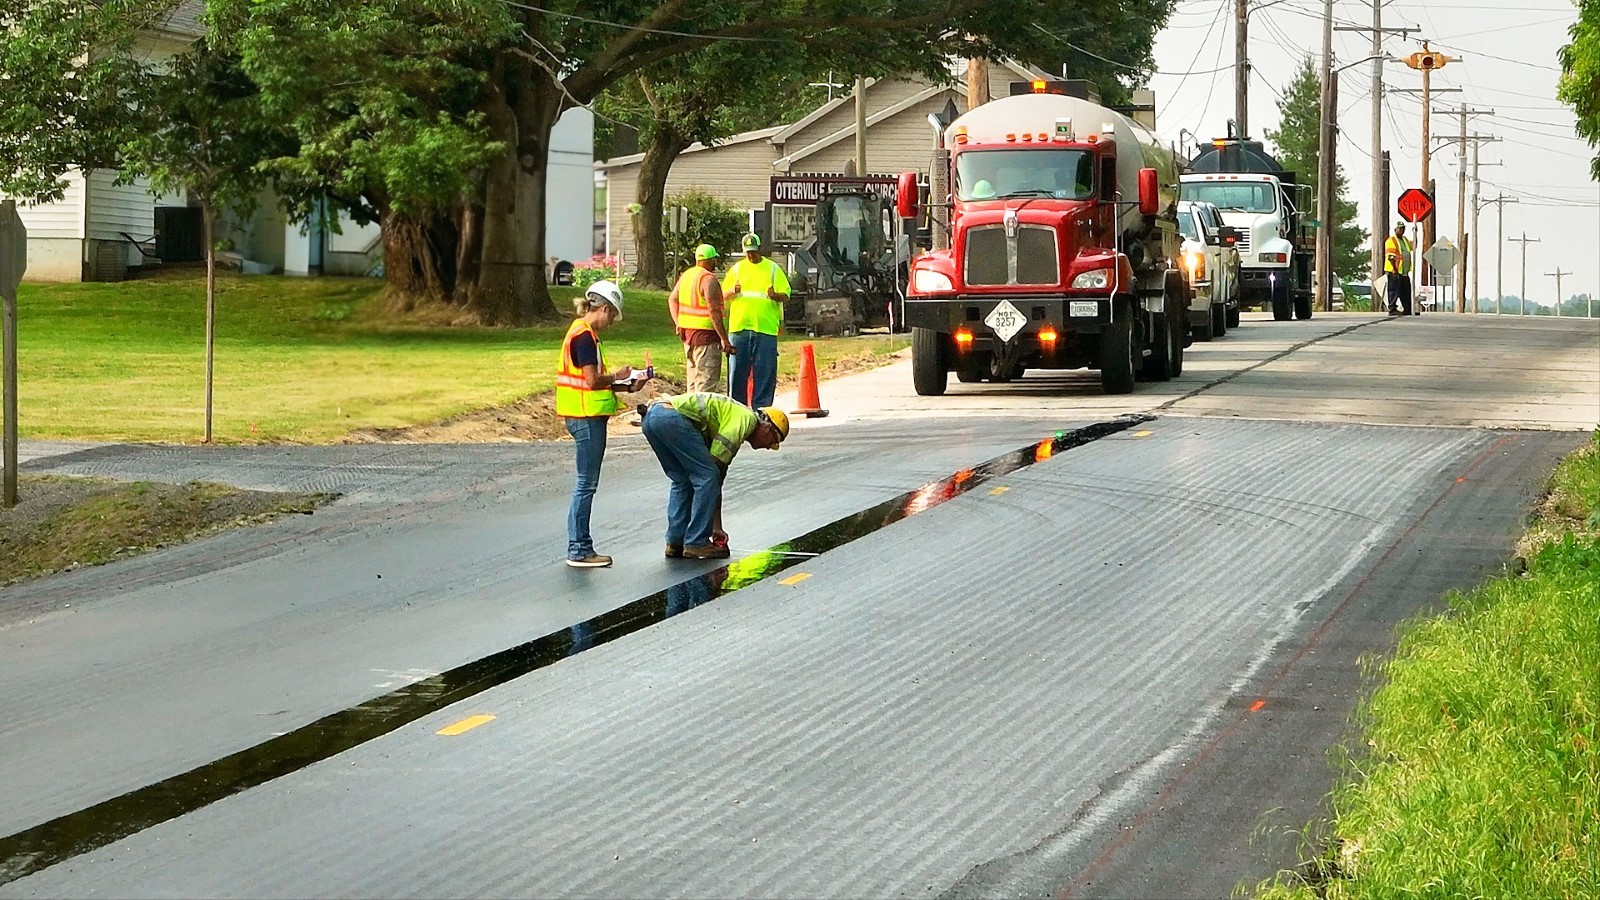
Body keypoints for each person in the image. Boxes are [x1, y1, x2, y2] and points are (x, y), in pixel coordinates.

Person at [556, 279, 645, 568]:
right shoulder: (584, 337)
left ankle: (579, 546)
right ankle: (579, 548)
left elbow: (593, 383)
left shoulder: (583, 334)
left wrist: (627, 387)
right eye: (612, 316)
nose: (612, 322)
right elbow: (591, 381)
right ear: (604, 309)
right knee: (585, 484)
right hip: (585, 417)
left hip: (584, 414)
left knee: (585, 483)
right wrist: (619, 375)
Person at [640, 392, 789, 560]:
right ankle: (696, 542)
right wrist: (714, 526)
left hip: (652, 417)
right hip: (670, 419)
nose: (769, 447)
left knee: (682, 480)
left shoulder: (732, 416)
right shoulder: (745, 421)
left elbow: (716, 479)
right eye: (773, 440)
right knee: (706, 476)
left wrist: (716, 527)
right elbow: (713, 475)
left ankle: (675, 541)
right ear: (767, 428)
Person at [721, 232, 791, 408]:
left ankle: (762, 409)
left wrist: (775, 295)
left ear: (760, 249)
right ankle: (738, 409)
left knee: (765, 372)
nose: (751, 255)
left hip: (765, 328)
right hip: (739, 328)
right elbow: (722, 294)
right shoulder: (737, 269)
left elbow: (787, 295)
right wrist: (732, 291)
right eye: (748, 252)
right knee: (737, 372)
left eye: (754, 251)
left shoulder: (773, 269)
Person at [668, 244, 733, 393]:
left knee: (692, 383)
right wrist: (724, 338)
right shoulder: (708, 279)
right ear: (711, 260)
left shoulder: (686, 276)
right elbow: (714, 311)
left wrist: (678, 323)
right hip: (706, 338)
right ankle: (701, 415)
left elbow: (672, 299)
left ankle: (689, 415)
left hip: (688, 337)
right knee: (705, 383)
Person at [1384, 223, 1415, 316]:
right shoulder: (1391, 240)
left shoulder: (1404, 240)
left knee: (1406, 291)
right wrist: (1394, 270)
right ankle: (1392, 309)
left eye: (1403, 229)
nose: (1402, 230)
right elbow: (1391, 257)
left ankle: (1407, 309)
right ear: (1395, 229)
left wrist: (1415, 233)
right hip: (1394, 271)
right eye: (1400, 229)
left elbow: (1413, 246)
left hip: (1404, 272)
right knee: (1393, 290)